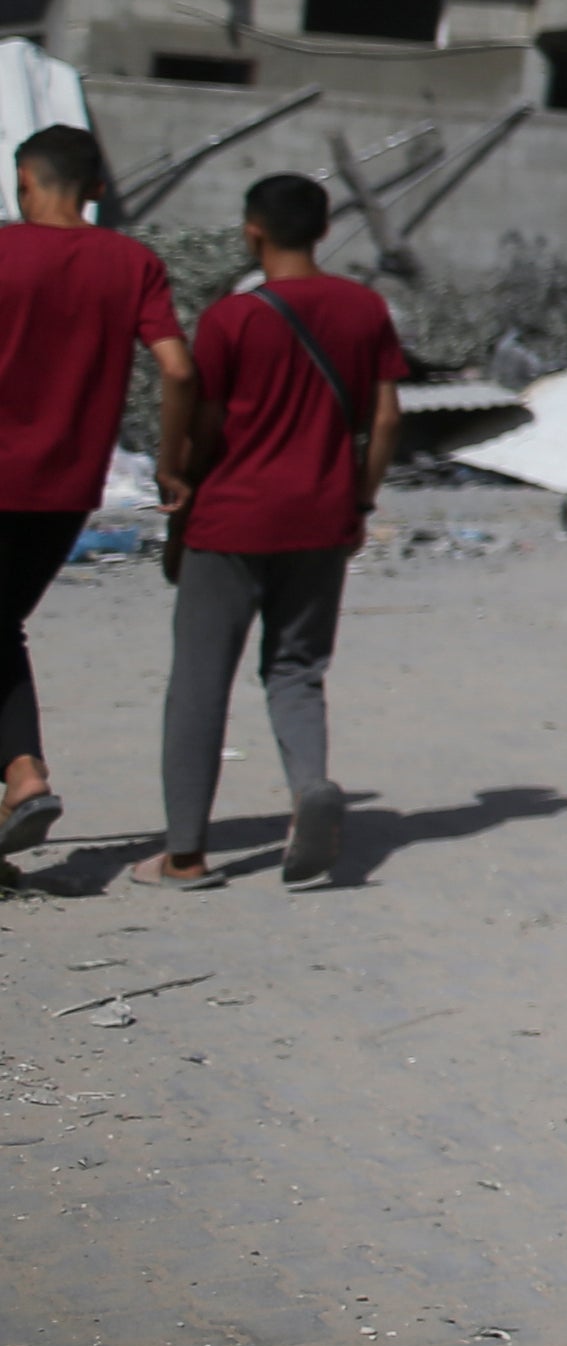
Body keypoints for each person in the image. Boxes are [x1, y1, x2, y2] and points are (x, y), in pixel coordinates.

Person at [152, 171, 402, 891]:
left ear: (250, 230)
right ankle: (309, 789)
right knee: (296, 671)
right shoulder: (364, 309)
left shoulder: (235, 317)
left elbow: (204, 420)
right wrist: (359, 500)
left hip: (232, 518)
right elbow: (385, 419)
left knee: (200, 680)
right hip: (323, 519)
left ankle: (186, 855)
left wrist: (177, 481)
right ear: (324, 231)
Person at [0, 124, 193, 864]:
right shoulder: (131, 263)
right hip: (65, 486)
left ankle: (24, 774)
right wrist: (173, 464)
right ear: (99, 190)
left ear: (25, 182)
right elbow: (177, 368)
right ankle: (22, 779)